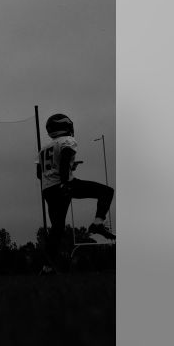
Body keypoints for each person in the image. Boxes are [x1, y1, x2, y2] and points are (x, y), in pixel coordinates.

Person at [37, 113, 115, 273]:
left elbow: (40, 173)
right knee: (106, 192)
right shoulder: (68, 141)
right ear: (65, 127)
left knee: (57, 228)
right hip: (64, 185)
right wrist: (66, 182)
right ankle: (98, 223)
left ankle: (46, 268)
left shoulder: (43, 149)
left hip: (48, 189)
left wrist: (64, 173)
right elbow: (65, 161)